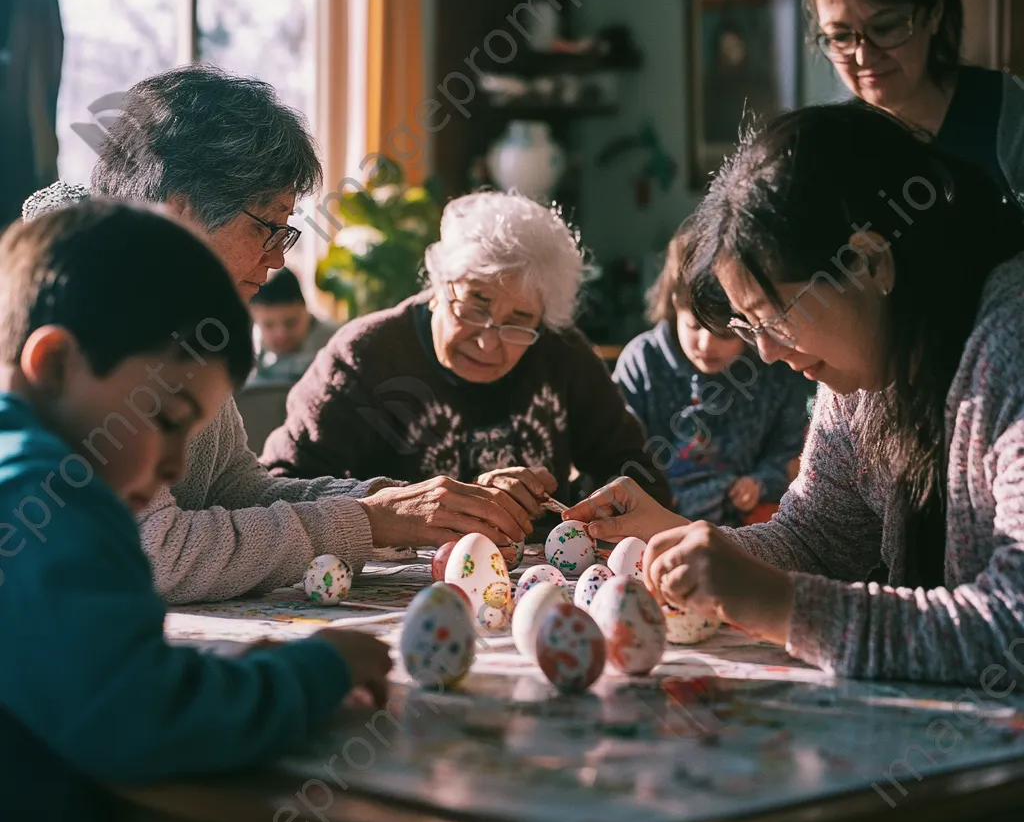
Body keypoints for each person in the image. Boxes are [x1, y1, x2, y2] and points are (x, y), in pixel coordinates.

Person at [20, 65, 529, 603]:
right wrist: (365, 522)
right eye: (266, 226)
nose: (279, 257)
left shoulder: (186, 317)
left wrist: (401, 507)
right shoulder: (87, 314)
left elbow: (235, 490)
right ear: (179, 209)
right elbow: (156, 553)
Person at [567, 104, 1024, 684]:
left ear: (868, 262)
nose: (766, 354)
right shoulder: (868, 360)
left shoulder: (1011, 344)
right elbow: (818, 541)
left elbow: (1013, 629)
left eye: (773, 320)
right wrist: (669, 538)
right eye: (749, 329)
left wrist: (780, 607)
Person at [0, 202, 391, 822]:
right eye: (169, 417)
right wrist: (316, 671)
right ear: (56, 365)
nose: (179, 463)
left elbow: (93, 671)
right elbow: (145, 719)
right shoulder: (51, 494)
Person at [261, 191, 673, 526]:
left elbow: (637, 475)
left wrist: (588, 514)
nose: (488, 342)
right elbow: (280, 490)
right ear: (438, 284)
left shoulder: (560, 352)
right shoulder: (365, 356)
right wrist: (401, 508)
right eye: (475, 307)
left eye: (519, 321)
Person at [808, 0, 1024, 203]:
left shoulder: (1006, 114)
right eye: (841, 36)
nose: (863, 57)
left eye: (886, 27)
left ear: (934, 9)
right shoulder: (832, 140)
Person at [613, 216, 811, 528]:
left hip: (742, 531)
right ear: (672, 306)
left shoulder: (774, 369)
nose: (706, 344)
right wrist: (650, 495)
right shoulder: (642, 363)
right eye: (693, 326)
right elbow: (617, 454)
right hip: (652, 523)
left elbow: (790, 455)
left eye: (725, 334)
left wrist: (760, 482)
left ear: (750, 323)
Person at [249, 267, 339, 385]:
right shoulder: (251, 351)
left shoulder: (336, 343)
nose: (281, 334)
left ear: (305, 310)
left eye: (290, 323)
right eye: (268, 325)